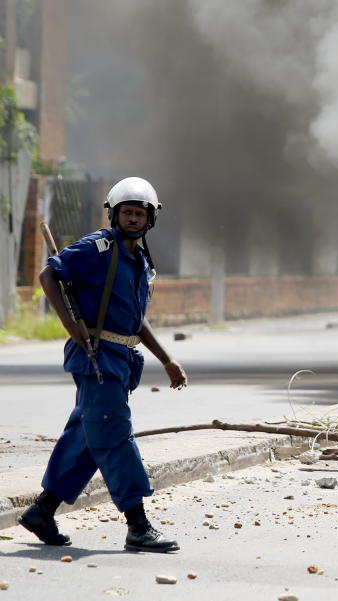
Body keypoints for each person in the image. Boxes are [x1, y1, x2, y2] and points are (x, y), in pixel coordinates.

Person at [18, 177, 187, 553]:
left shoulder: (139, 261)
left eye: (138, 213)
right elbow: (49, 274)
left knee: (86, 437)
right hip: (96, 356)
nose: (131, 219)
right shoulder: (98, 248)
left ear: (149, 219)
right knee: (114, 436)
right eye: (125, 212)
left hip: (121, 360)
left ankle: (42, 512)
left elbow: (135, 320)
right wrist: (69, 324)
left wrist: (168, 359)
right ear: (113, 214)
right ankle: (138, 525)